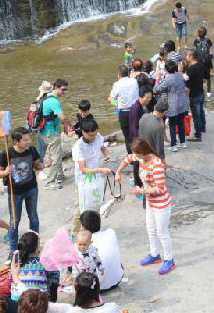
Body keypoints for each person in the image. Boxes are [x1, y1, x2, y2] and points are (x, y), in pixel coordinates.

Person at [115, 140, 175, 275]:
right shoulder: (140, 157)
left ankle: (169, 259)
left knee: (162, 232)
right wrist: (118, 171)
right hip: (150, 201)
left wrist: (140, 191)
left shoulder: (157, 164)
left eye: (137, 154)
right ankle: (155, 255)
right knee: (151, 229)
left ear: (143, 152)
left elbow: (159, 189)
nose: (135, 156)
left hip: (161, 203)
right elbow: (128, 158)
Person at [0, 128, 45, 256]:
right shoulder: (6, 154)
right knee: (14, 221)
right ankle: (13, 251)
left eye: (29, 139)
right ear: (16, 141)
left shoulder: (32, 150)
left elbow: (37, 165)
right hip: (15, 192)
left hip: (31, 188)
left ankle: (34, 246)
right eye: (25, 140)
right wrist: (5, 172)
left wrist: (44, 166)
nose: (29, 142)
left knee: (33, 216)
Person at [72, 119, 113, 213]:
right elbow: (83, 170)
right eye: (91, 135)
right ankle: (78, 228)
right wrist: (101, 170)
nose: (94, 137)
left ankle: (93, 226)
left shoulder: (97, 136)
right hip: (83, 180)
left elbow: (102, 147)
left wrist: (107, 155)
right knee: (81, 208)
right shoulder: (78, 147)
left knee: (96, 203)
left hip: (96, 177)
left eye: (95, 134)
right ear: (83, 132)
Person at [77, 211, 124, 292]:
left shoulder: (81, 245)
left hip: (93, 287)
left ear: (82, 226)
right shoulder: (111, 232)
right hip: (116, 280)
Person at [153, 60, 189, 152]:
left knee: (172, 124)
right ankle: (183, 142)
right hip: (183, 102)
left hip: (173, 104)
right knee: (181, 122)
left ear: (166, 69)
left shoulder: (168, 79)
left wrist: (157, 79)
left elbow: (156, 89)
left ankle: (173, 145)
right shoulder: (179, 75)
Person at [39, 79, 68, 189]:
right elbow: (62, 116)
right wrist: (68, 125)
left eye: (66, 90)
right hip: (50, 132)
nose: (64, 92)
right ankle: (50, 182)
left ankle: (60, 175)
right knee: (55, 156)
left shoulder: (47, 97)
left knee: (57, 153)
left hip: (47, 131)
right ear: (56, 87)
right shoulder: (53, 101)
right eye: (63, 89)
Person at [108, 66, 138, 153]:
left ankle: (130, 156)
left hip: (124, 113)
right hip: (136, 111)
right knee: (136, 133)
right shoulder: (134, 81)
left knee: (127, 136)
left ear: (119, 75)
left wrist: (111, 101)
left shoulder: (117, 84)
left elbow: (112, 99)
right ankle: (139, 154)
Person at [193, 27, 214, 98]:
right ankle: (209, 92)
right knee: (208, 77)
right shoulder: (208, 40)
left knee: (199, 76)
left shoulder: (196, 40)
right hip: (207, 61)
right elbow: (209, 48)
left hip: (199, 61)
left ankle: (199, 90)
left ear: (198, 33)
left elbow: (196, 49)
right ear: (205, 33)